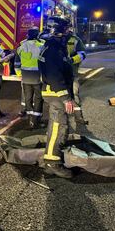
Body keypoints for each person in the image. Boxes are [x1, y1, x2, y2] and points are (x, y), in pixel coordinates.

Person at [38, 16, 74, 178]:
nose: (69, 32)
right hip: (56, 94)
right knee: (59, 127)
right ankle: (53, 163)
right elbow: (54, 75)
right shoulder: (54, 50)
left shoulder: (52, 47)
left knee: (55, 126)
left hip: (53, 93)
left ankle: (50, 158)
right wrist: (66, 98)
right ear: (59, 31)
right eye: (66, 29)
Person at [17, 27, 44, 129]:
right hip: (37, 77)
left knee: (28, 98)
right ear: (37, 35)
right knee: (38, 99)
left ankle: (30, 120)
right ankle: (36, 121)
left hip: (25, 77)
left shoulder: (21, 47)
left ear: (27, 35)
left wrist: (20, 74)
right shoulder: (41, 46)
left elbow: (17, 62)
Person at [66, 28, 87, 125]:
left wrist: (72, 60)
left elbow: (82, 54)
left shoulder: (75, 40)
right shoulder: (54, 39)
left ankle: (78, 117)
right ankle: (60, 119)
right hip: (58, 74)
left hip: (72, 72)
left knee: (74, 94)